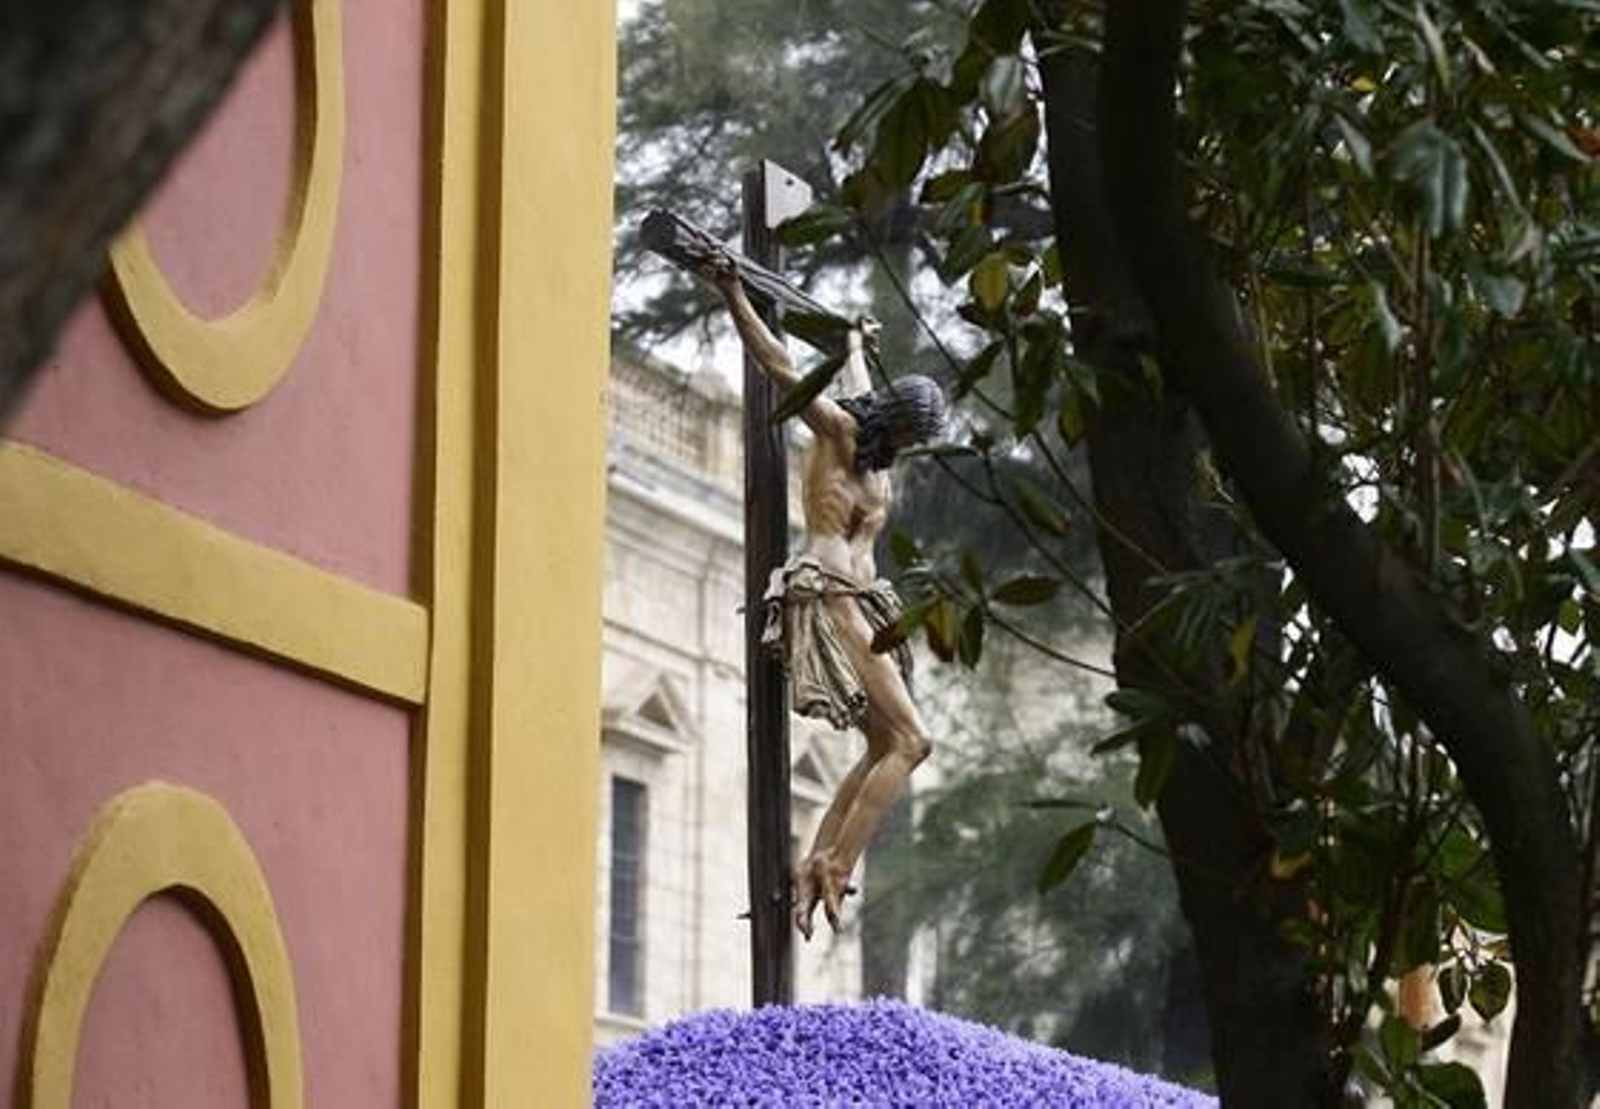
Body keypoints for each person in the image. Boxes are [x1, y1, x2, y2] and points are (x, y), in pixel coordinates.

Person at [709, 255, 948, 939]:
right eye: (909, 434)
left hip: (865, 602)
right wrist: (732, 292)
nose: (909, 447)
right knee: (912, 739)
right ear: (895, 422)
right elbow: (783, 368)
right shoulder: (841, 433)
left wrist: (851, 346)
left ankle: (821, 859)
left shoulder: (873, 453)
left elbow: (860, 387)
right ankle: (836, 863)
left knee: (884, 742)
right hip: (831, 591)